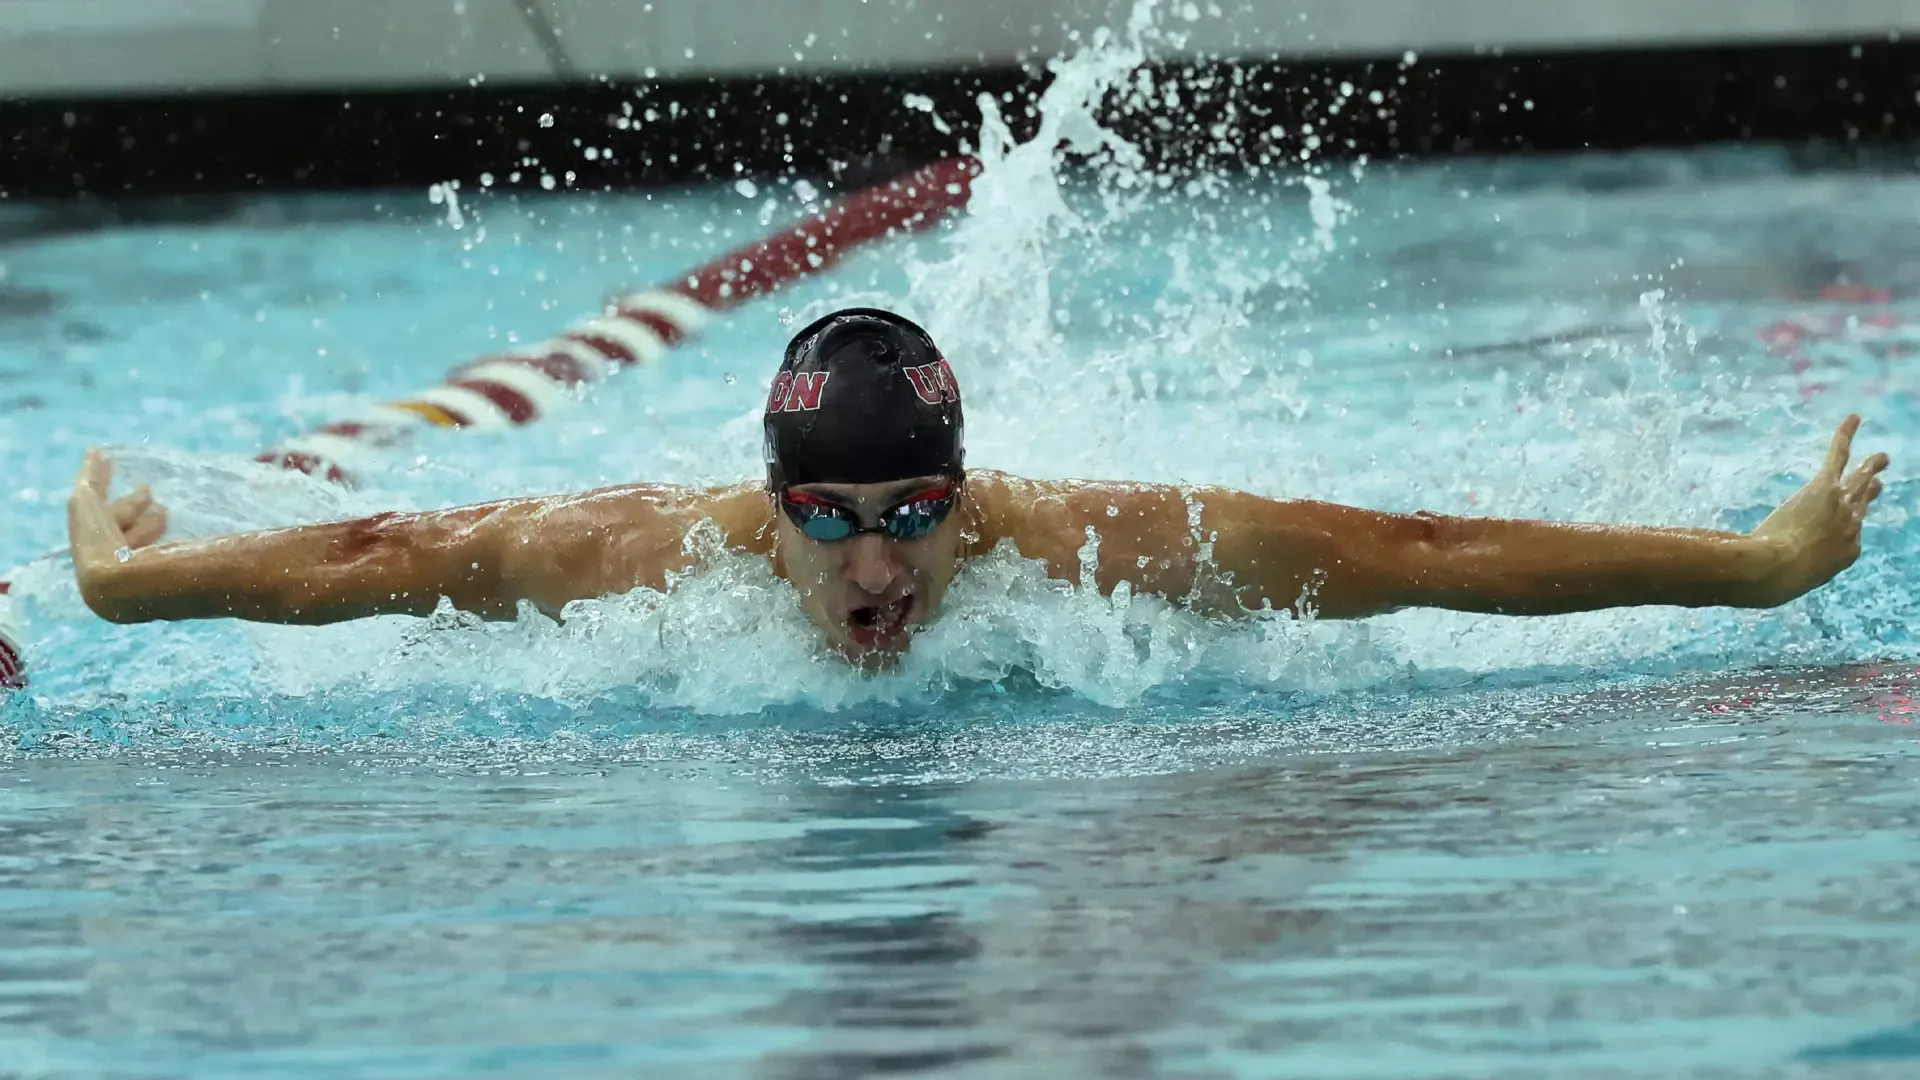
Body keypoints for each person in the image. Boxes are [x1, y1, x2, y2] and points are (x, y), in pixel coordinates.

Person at [68, 308, 1890, 668]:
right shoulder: (630, 560)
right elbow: (389, 554)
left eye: (916, 514)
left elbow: (1411, 554)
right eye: (835, 522)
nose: (882, 564)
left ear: (970, 489)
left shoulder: (1084, 552)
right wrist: (125, 587)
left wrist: (1753, 568)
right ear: (768, 508)